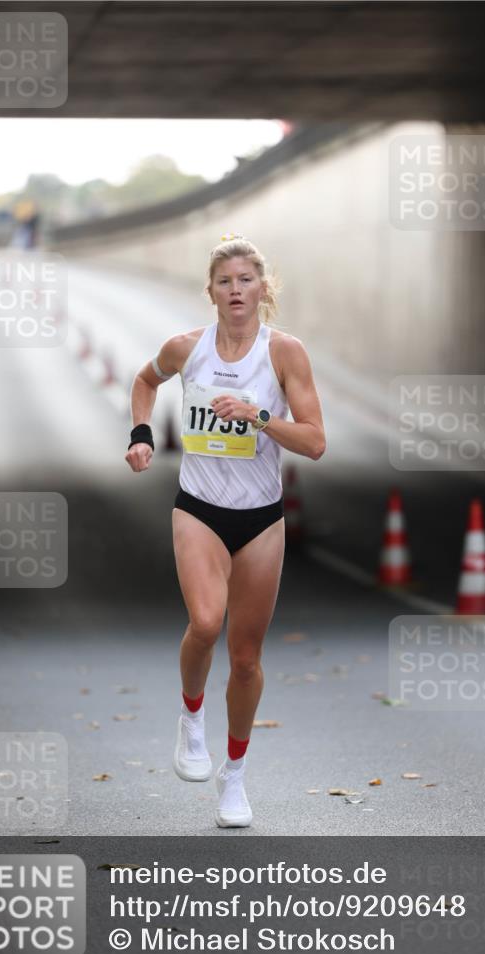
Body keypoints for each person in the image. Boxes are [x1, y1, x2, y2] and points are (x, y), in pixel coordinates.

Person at [125, 234, 325, 827]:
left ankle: (233, 777)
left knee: (245, 659)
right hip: (199, 507)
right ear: (210, 291)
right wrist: (140, 434)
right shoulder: (186, 349)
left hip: (261, 517)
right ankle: (191, 720)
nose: (235, 290)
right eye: (224, 281)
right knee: (206, 622)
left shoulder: (284, 353)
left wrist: (262, 417)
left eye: (246, 280)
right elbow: (143, 381)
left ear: (263, 288)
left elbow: (314, 442)